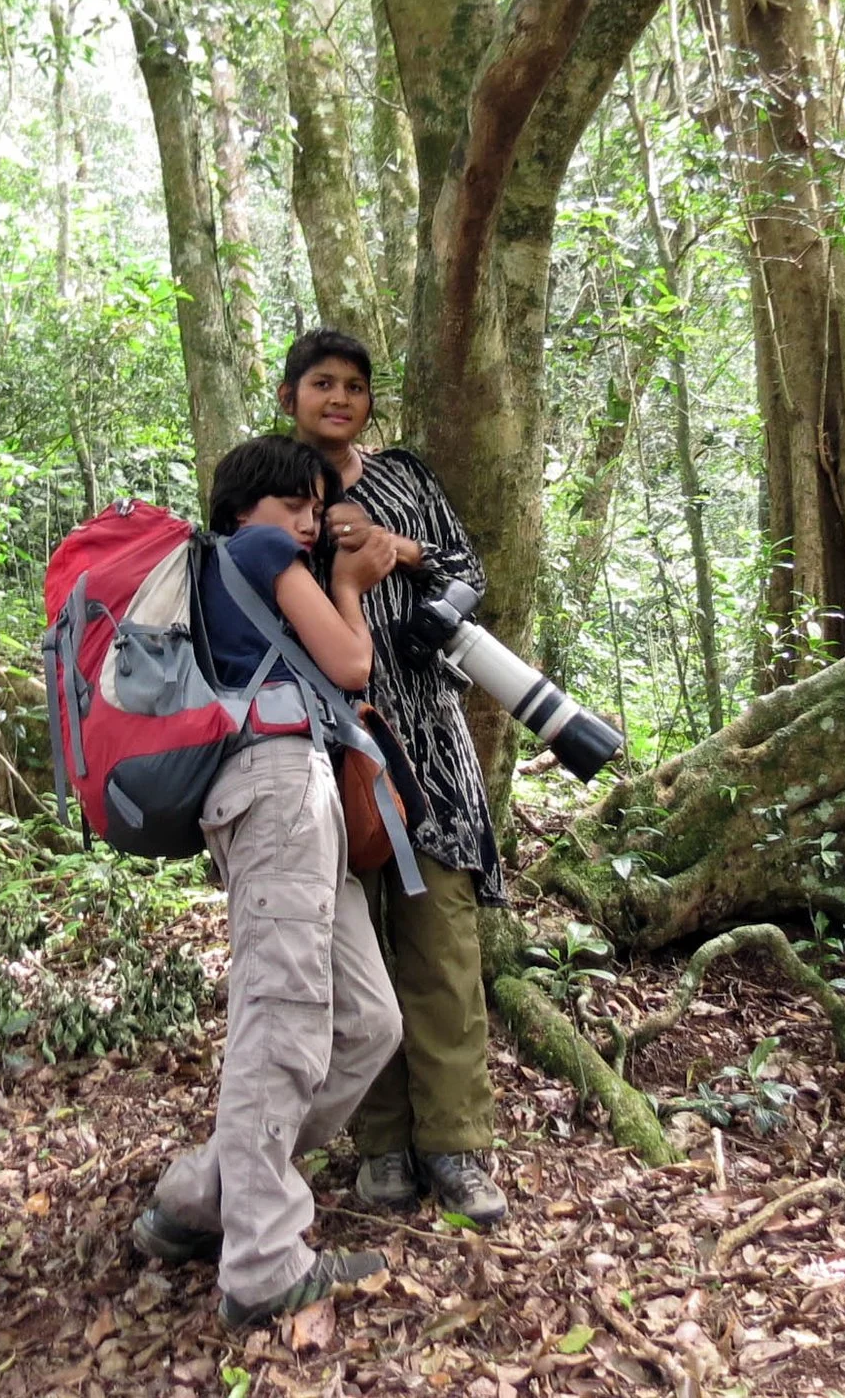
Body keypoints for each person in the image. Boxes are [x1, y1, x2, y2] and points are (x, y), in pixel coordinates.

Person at [130, 435, 406, 1327]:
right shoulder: (257, 550)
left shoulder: (236, 572)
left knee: (367, 1020)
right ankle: (261, 1262)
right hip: (276, 787)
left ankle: (202, 1194)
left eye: (315, 504)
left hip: (290, 790)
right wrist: (352, 586)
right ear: (248, 509)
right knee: (282, 1013)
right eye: (296, 501)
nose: (310, 518)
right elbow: (352, 661)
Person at [278, 328, 510, 1228]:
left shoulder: (406, 477)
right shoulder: (272, 483)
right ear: (292, 393)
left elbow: (466, 574)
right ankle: (380, 1147)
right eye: (322, 383)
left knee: (441, 940)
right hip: (332, 745)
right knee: (356, 945)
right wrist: (328, 558)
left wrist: (395, 551)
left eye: (355, 386)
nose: (339, 398)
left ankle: (456, 1146)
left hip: (430, 736)